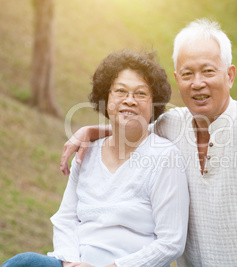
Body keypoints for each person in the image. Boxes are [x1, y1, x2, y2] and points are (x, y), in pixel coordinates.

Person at [60, 19, 237, 266]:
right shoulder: (172, 124)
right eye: (187, 74)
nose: (197, 82)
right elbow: (131, 126)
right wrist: (90, 131)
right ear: (177, 78)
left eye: (208, 71)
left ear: (230, 75)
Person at [4, 50, 189, 267]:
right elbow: (66, 219)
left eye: (141, 94)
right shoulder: (87, 152)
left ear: (153, 103)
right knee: (24, 263)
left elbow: (171, 242)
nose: (130, 100)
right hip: (76, 263)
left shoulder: (165, 157)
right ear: (106, 97)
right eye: (121, 91)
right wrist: (70, 263)